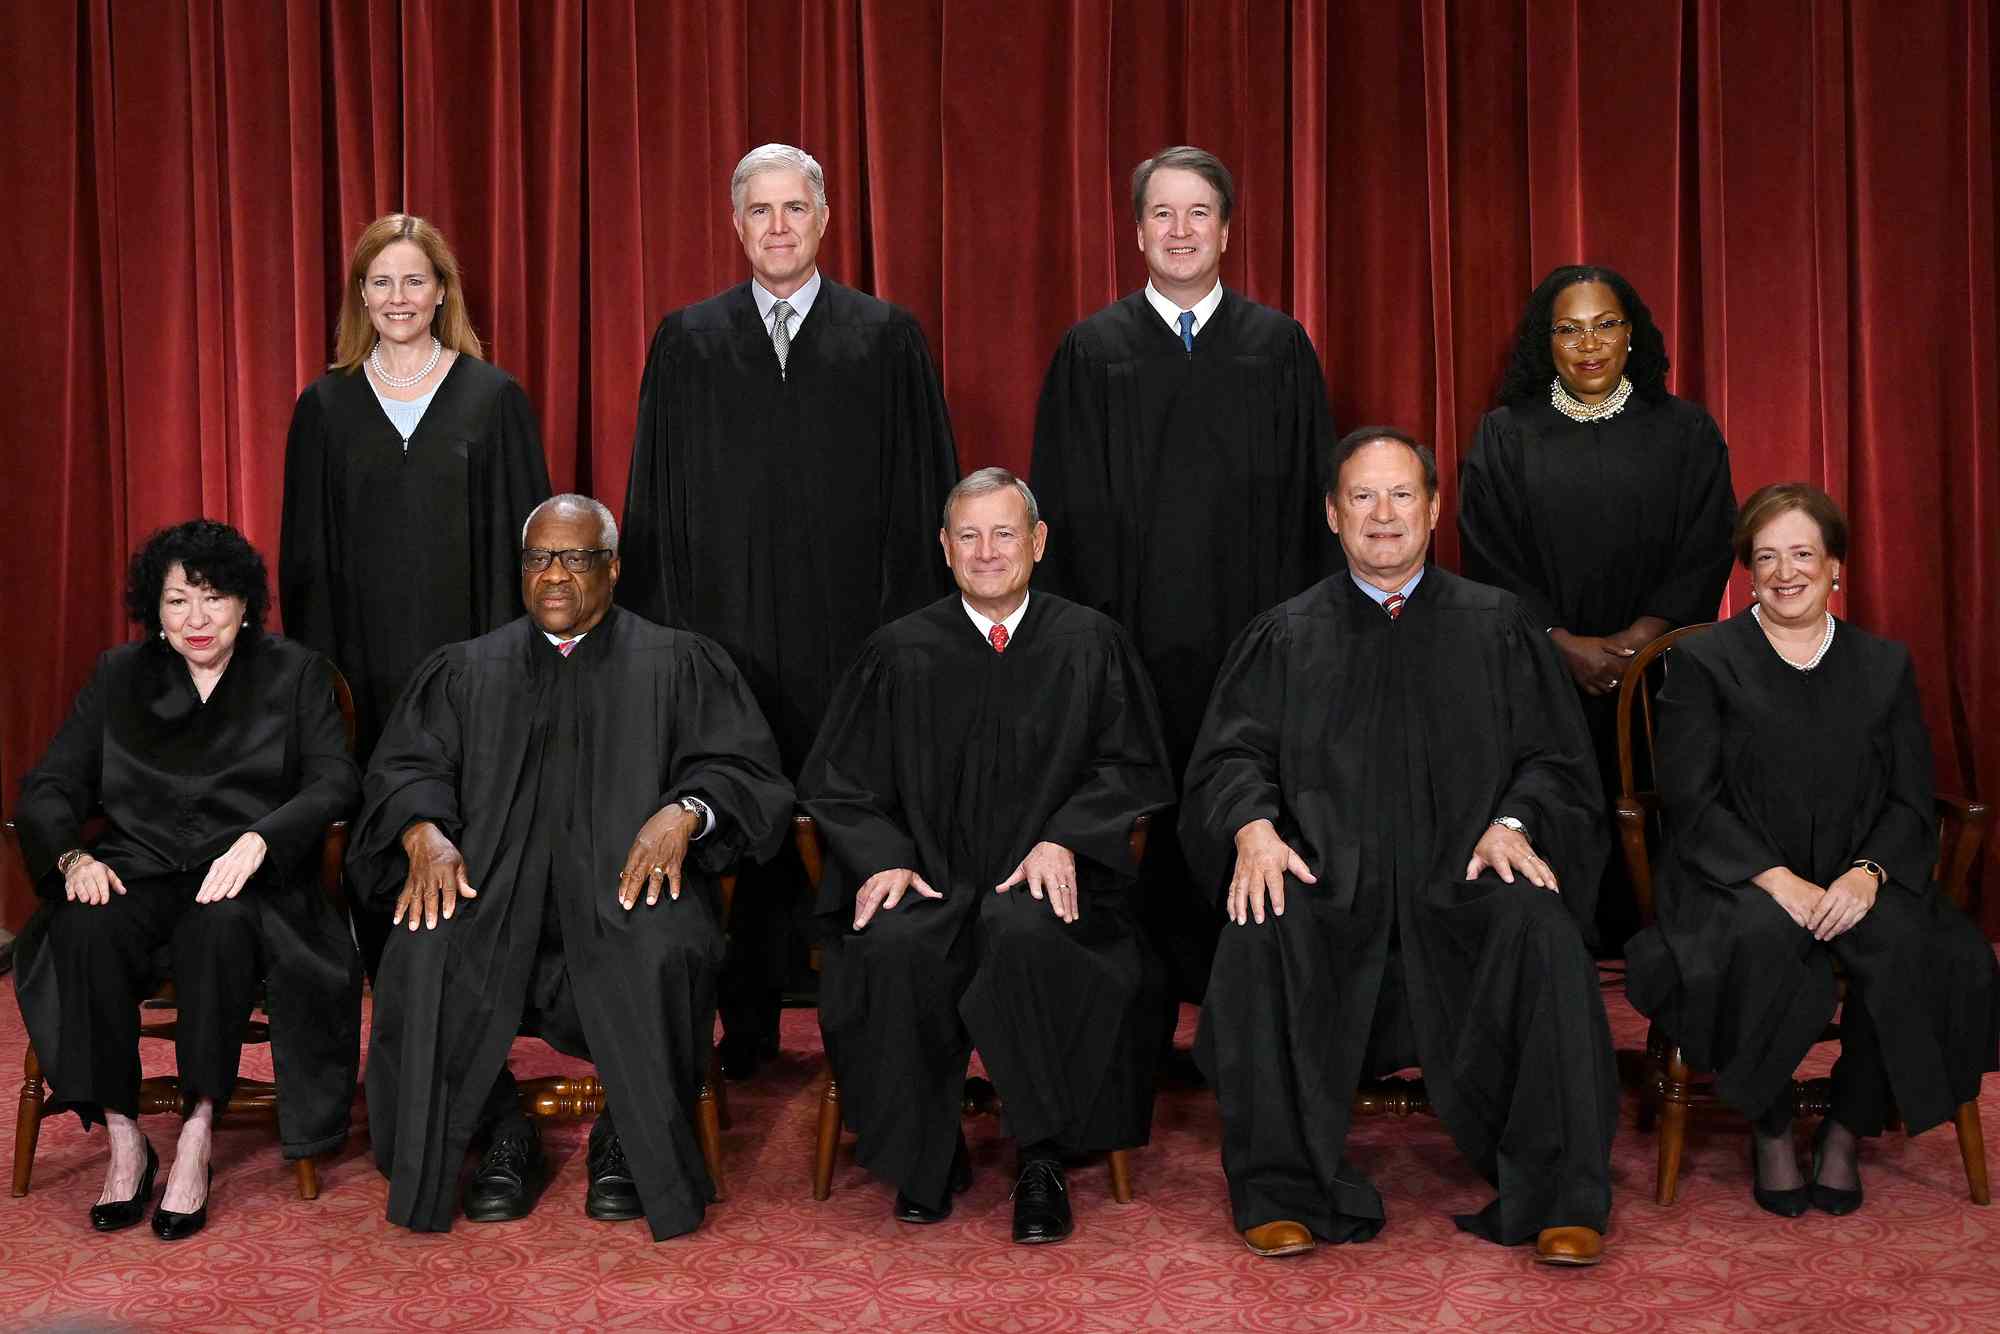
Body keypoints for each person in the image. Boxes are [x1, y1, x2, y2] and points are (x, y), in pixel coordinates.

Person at [1182, 428, 1617, 1266]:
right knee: (1260, 925)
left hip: (1464, 884)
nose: (1384, 515)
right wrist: (1255, 828)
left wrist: (1514, 824)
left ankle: (1562, 1196)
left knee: (1542, 928)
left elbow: (1556, 761)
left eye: (1402, 495)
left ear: (1434, 508)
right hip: (1326, 886)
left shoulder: (1498, 626)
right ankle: (1280, 1190)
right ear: (1333, 515)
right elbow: (1230, 756)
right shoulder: (1287, 633)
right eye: (1363, 497)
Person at [349, 494, 792, 1242]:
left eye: (576, 558)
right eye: (539, 558)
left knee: (665, 947)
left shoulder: (677, 661)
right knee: (422, 952)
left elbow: (744, 771)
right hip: (488, 894)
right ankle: (501, 1131)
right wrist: (425, 833)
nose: (555, 575)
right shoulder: (465, 670)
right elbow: (404, 770)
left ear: (612, 568)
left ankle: (629, 1132)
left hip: (627, 892)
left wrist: (685, 812)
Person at [620, 144, 959, 1079]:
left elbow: (921, 494)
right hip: (722, 638)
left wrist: (907, 641)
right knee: (732, 812)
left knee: (850, 819)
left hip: (852, 635)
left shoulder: (885, 337)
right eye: (759, 211)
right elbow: (656, 502)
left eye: (793, 210)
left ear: (821, 220)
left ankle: (862, 1030)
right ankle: (746, 1028)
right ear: (736, 225)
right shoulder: (687, 340)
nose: (777, 227)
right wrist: (672, 643)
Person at [799, 468, 1174, 1245]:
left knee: (1028, 933)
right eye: (968, 535)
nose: (987, 550)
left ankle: (1041, 1157)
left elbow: (1132, 768)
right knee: (897, 945)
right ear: (944, 547)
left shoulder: (1089, 642)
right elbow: (837, 783)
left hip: (1046, 881)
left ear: (1037, 543)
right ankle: (923, 1158)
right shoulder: (898, 652)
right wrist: (884, 859)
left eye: (1005, 533)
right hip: (930, 877)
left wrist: (1066, 836)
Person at [1625, 484, 1999, 1217]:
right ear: (1747, 572)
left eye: (1802, 554)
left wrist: (1867, 874)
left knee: (1919, 949)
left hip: (1860, 871)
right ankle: (1767, 1125)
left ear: (1836, 568)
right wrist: (1776, 880)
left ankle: (1847, 1126)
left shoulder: (1883, 665)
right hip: (1735, 876)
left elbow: (1908, 797)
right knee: (1759, 940)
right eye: (1766, 557)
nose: (1784, 572)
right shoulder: (1705, 663)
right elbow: (1691, 799)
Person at [1030, 145, 1334, 1014]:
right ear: (1135, 232)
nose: (1180, 231)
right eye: (1162, 213)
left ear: (1228, 230)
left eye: (1198, 213)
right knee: (1138, 813)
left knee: (1249, 800)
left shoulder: (1277, 348)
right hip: (1130, 638)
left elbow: (1319, 504)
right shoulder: (1093, 352)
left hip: (1254, 637)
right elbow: (1061, 512)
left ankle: (1241, 1003)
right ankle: (1138, 1007)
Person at [11, 520, 361, 1240]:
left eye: (213, 598)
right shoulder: (118, 675)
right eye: (176, 602)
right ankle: (123, 1136)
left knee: (220, 924)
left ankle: (199, 1133)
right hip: (137, 868)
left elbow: (335, 781)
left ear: (244, 603)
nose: (196, 619)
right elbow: (51, 785)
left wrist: (265, 839)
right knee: (85, 922)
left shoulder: (292, 674)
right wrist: (74, 859)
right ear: (155, 611)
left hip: (246, 876)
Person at [281, 212, 551, 973]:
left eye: (414, 280)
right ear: (361, 297)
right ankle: (384, 978)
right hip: (360, 663)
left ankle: (473, 982)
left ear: (441, 292)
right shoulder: (325, 408)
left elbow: (533, 556)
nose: (398, 297)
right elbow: (304, 560)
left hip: (473, 665)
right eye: (381, 282)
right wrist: (318, 686)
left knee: (476, 821)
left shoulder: (494, 398)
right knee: (373, 817)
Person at [1457, 264, 1736, 949]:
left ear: (1632, 335)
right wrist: (1560, 640)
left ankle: (1664, 942)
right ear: (1544, 343)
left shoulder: (1684, 432)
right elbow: (1487, 550)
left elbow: (1708, 541)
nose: (1589, 344)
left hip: (1660, 678)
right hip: (1538, 668)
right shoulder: (1505, 434)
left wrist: (1642, 638)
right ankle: (1554, 941)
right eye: (1569, 329)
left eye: (1605, 325)